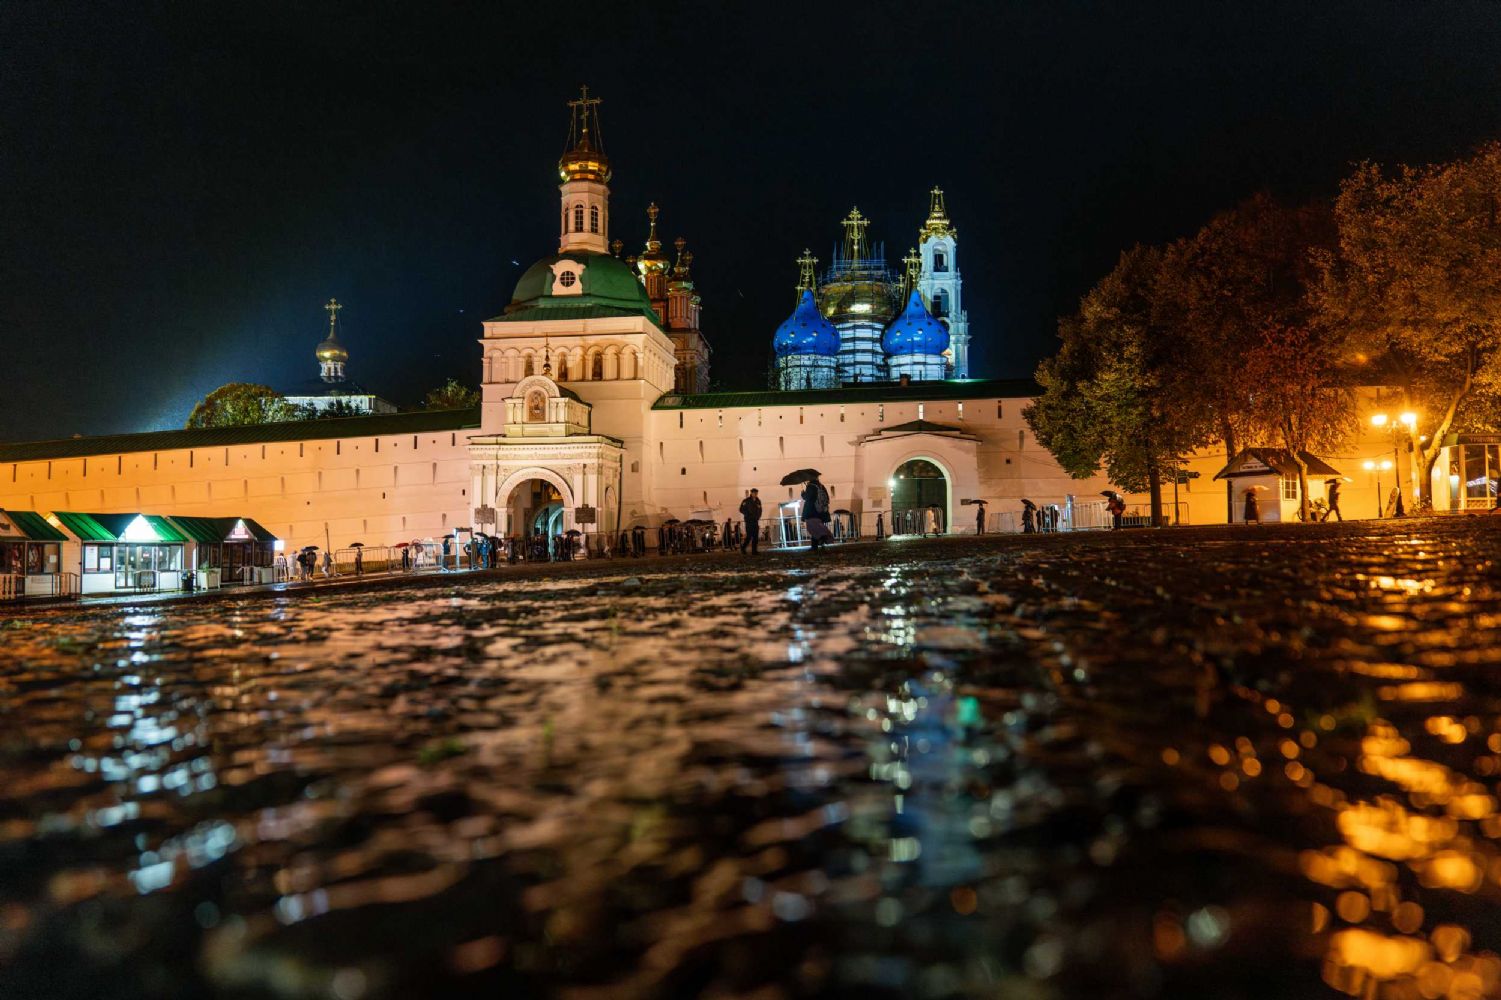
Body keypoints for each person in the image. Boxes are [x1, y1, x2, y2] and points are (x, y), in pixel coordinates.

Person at [801, 476, 832, 551]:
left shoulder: (810, 486)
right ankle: (821, 542)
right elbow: (827, 498)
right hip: (821, 512)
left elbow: (808, 498)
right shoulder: (821, 486)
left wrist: (803, 494)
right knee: (817, 528)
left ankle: (818, 543)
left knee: (813, 529)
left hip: (812, 511)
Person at [740, 488, 763, 554]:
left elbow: (760, 509)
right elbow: (741, 509)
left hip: (755, 520)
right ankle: (743, 547)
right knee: (749, 536)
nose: (755, 494)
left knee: (755, 536)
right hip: (749, 521)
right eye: (754, 493)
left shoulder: (758, 501)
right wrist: (747, 514)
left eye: (756, 493)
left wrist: (758, 516)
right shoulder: (746, 501)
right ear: (751, 493)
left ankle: (754, 550)